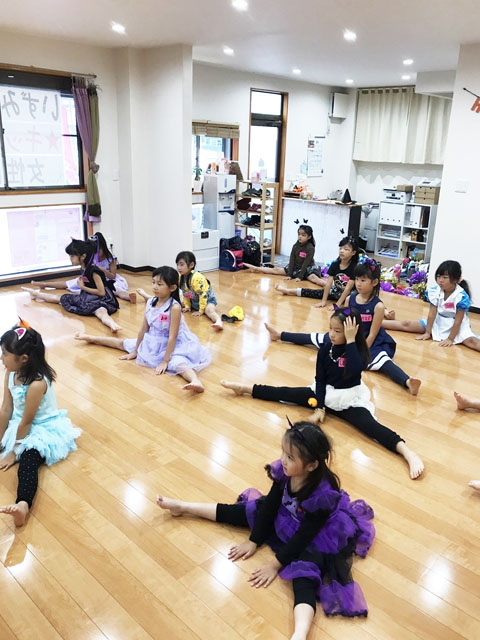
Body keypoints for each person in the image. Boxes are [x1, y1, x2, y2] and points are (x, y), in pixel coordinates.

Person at [157, 421, 375, 640]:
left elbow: (304, 536)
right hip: (286, 516)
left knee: (305, 576)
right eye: (283, 452)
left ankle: (299, 634)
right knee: (244, 511)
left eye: (290, 457)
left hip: (315, 536)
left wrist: (274, 565)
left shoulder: (322, 494)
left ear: (311, 466)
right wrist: (254, 540)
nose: (283, 460)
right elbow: (270, 505)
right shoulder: (284, 471)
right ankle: (183, 507)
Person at [221, 308, 424, 479]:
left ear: (352, 332)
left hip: (349, 399)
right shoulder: (326, 348)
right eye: (330, 329)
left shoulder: (358, 351)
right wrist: (319, 407)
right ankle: (245, 388)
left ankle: (407, 453)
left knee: (372, 427)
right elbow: (320, 379)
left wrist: (351, 341)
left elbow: (355, 369)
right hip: (325, 394)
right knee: (286, 393)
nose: (332, 334)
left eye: (338, 331)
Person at [75, 266, 211, 393]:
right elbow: (143, 329)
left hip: (175, 345)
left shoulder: (174, 307)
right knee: (122, 343)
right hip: (153, 340)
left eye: (160, 284)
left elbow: (172, 337)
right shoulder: (151, 302)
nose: (155, 287)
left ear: (172, 287)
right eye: (153, 282)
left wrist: (165, 360)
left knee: (179, 364)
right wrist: (136, 350)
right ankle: (92, 338)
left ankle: (195, 381)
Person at [0, 321, 81, 527]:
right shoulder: (11, 373)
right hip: (19, 423)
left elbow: (27, 422)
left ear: (24, 359)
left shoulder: (37, 383)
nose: (1, 358)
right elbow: (6, 410)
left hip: (42, 428)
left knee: (28, 461)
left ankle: (22, 505)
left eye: (5, 354)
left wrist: (13, 452)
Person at [346, 259, 421, 394]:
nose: (358, 283)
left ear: (374, 282)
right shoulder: (349, 300)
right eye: (356, 279)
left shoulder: (378, 306)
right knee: (323, 340)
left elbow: (372, 334)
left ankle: (407, 382)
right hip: (351, 337)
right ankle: (299, 337)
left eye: (363, 280)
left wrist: (361, 352)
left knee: (385, 363)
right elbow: (344, 322)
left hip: (371, 343)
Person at [22, 239, 121, 332]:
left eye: (72, 256)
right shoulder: (84, 268)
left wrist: (82, 287)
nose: (70, 259)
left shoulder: (94, 271)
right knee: (60, 297)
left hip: (102, 299)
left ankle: (112, 324)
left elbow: (101, 292)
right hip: (87, 297)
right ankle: (35, 294)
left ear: (83, 256)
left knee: (101, 312)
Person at [383, 260, 480, 351]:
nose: (440, 280)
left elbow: (458, 322)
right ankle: (378, 322)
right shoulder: (435, 291)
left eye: (445, 277)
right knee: (406, 324)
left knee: (473, 342)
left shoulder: (461, 296)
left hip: (458, 327)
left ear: (455, 279)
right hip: (438, 322)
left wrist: (450, 338)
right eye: (438, 276)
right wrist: (427, 332)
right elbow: (432, 314)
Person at [31, 232, 136, 303]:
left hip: (108, 279)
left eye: (99, 251)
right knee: (69, 283)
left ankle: (129, 296)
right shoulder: (90, 257)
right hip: (93, 279)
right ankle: (45, 284)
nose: (97, 254)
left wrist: (104, 271)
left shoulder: (110, 258)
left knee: (116, 289)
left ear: (103, 248)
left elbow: (113, 276)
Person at [274, 235, 358, 306]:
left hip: (349, 294)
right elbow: (328, 284)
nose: (342, 251)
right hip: (336, 291)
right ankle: (287, 291)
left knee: (350, 299)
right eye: (340, 248)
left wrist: (337, 305)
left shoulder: (355, 267)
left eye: (346, 249)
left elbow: (348, 288)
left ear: (353, 252)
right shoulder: (335, 265)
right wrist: (323, 301)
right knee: (312, 292)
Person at [244, 225, 323, 284]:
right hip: (296, 267)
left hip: (307, 268)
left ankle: (327, 285)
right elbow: (292, 260)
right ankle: (256, 268)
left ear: (309, 237)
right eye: (299, 234)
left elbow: (306, 263)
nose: (300, 237)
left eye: (303, 235)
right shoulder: (295, 246)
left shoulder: (310, 248)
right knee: (276, 270)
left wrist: (300, 277)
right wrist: (289, 274)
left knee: (314, 278)